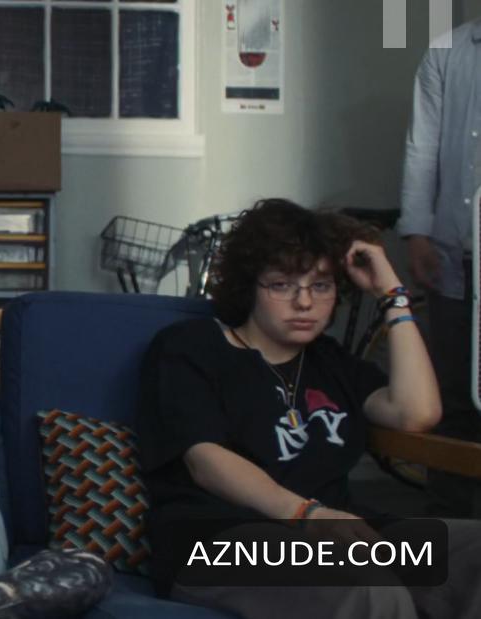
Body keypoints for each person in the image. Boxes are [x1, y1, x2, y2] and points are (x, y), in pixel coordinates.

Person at [136, 199, 481, 618]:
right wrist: (306, 514)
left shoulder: (330, 361)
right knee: (368, 588)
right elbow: (205, 460)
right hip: (221, 541)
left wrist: (392, 296)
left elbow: (417, 413)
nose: (304, 302)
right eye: (282, 285)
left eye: (320, 286)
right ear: (249, 286)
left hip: (336, 531)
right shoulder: (192, 346)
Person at [400, 18, 481, 517]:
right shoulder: (448, 51)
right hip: (457, 255)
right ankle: (452, 524)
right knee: (452, 395)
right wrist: (417, 232)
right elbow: (422, 146)